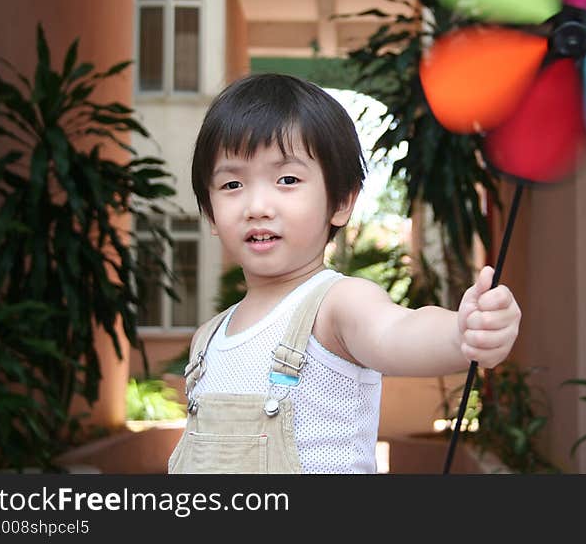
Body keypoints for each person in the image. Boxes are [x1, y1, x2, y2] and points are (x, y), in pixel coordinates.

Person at [168, 73, 521, 474]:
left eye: (287, 179)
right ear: (211, 212)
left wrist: (461, 333)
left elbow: (396, 332)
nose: (257, 205)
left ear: (341, 201)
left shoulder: (335, 305)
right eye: (232, 184)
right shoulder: (207, 339)